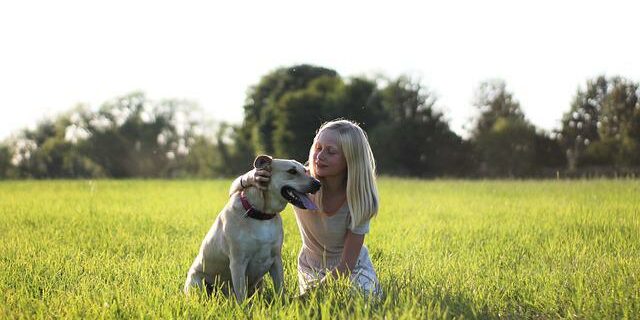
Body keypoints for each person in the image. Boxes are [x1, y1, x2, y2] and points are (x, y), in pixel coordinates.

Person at [229, 119, 382, 297]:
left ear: (350, 159)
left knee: (358, 297)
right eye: (318, 148)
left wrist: (307, 297)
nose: (320, 156)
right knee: (320, 303)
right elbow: (233, 190)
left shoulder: (360, 198)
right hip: (312, 267)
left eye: (331, 152)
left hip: (352, 268)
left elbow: (346, 266)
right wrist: (249, 177)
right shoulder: (299, 180)